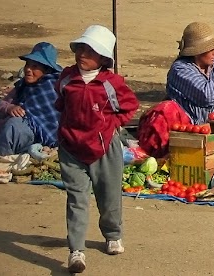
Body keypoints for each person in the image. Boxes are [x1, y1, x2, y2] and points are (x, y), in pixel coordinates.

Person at [55, 25, 139, 273]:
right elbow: (61, 104)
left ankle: (113, 235)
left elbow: (129, 106)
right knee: (76, 199)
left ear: (102, 58)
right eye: (80, 48)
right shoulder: (67, 78)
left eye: (89, 50)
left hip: (105, 147)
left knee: (109, 196)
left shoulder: (112, 83)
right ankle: (76, 250)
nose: (82, 54)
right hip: (71, 148)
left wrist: (112, 125)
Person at [137, 21, 214, 158]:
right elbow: (206, 95)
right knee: (166, 109)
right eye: (210, 49)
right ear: (197, 52)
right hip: (187, 132)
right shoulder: (181, 70)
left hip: (208, 129)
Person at [0, 42, 62, 157]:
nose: (28, 70)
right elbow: (1, 106)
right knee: (8, 124)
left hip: (50, 138)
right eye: (27, 65)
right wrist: (9, 108)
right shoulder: (22, 86)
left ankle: (3, 158)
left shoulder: (56, 86)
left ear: (46, 70)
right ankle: (2, 158)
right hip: (23, 138)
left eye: (35, 66)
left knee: (13, 125)